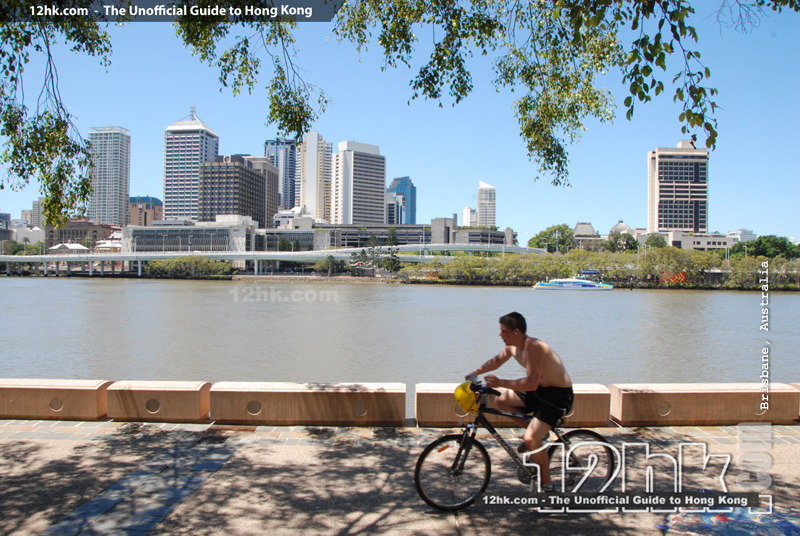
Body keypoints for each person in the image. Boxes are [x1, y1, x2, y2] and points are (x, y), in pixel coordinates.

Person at [466, 311, 574, 490]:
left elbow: (531, 384)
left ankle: (547, 486)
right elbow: (497, 361)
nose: (500, 335)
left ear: (516, 332)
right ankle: (541, 436)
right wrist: (475, 373)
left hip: (557, 396)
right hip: (540, 391)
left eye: (504, 331)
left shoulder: (534, 346)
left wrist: (502, 382)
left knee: (530, 438)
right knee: (501, 399)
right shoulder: (512, 347)